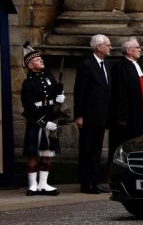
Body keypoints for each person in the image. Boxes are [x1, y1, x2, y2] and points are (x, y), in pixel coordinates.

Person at [21, 49, 64, 196]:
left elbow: (53, 99)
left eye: (41, 59)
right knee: (34, 154)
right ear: (30, 66)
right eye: (37, 60)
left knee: (47, 154)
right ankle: (32, 185)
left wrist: (59, 98)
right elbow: (28, 107)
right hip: (36, 121)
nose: (41, 61)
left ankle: (43, 184)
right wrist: (43, 122)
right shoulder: (28, 83)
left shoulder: (49, 77)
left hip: (50, 119)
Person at [73, 34, 112, 194]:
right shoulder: (86, 65)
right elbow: (80, 92)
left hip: (102, 115)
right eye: (108, 45)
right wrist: (79, 115)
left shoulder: (107, 65)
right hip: (89, 115)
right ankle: (86, 182)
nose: (110, 47)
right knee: (87, 149)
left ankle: (96, 180)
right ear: (98, 47)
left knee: (96, 149)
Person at [109, 38, 143, 167]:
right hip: (128, 114)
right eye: (137, 48)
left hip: (140, 111)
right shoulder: (119, 67)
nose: (140, 50)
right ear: (128, 51)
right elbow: (119, 93)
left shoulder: (139, 65)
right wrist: (121, 115)